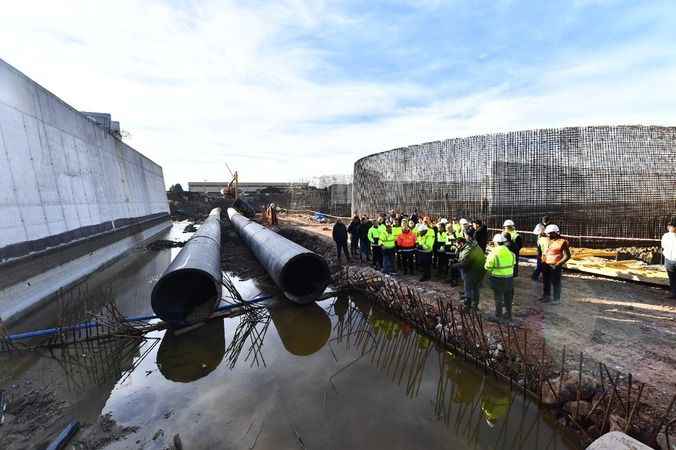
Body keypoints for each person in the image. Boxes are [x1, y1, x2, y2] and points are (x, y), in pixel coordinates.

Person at [484, 234, 516, 322]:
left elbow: (487, 267)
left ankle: (498, 315)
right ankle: (508, 315)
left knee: (498, 297)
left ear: (496, 243)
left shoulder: (493, 253)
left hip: (498, 279)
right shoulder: (511, 253)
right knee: (508, 298)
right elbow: (513, 264)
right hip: (509, 279)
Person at [451, 237, 486, 311]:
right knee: (475, 288)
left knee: (468, 289)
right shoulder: (472, 247)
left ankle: (467, 306)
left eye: (457, 245)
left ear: (461, 243)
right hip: (479, 270)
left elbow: (465, 263)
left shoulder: (467, 249)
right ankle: (475, 306)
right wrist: (457, 260)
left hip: (472, 271)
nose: (457, 247)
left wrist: (454, 265)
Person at [539, 224, 571, 305]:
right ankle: (546, 296)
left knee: (556, 282)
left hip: (555, 266)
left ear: (556, 233)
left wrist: (557, 264)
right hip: (545, 264)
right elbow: (542, 251)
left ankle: (556, 299)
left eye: (550, 233)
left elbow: (567, 256)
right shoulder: (545, 240)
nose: (548, 235)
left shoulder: (562, 242)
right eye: (548, 233)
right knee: (546, 281)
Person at [661, 217, 676, 299]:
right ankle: (674, 293)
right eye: (670, 226)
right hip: (669, 259)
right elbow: (663, 246)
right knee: (672, 278)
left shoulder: (666, 236)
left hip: (671, 259)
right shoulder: (665, 236)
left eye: (672, 226)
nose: (670, 228)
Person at [531, 216, 550, 281]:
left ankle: (542, 275)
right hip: (541, 245)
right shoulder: (539, 225)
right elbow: (534, 232)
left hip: (546, 245)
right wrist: (541, 232)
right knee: (540, 261)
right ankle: (536, 275)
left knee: (544, 261)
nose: (545, 223)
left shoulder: (550, 226)